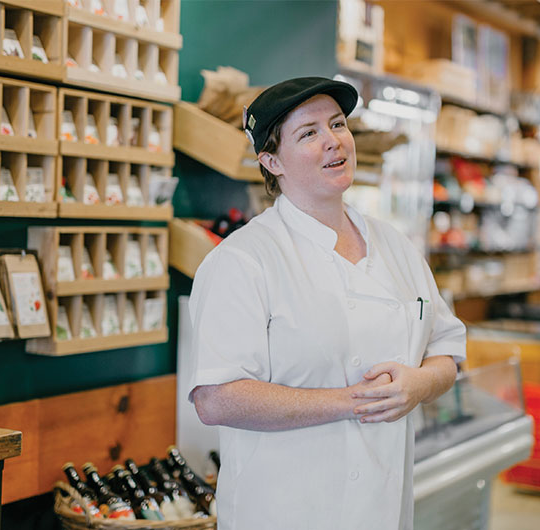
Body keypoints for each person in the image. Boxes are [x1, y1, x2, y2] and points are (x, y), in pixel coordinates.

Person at [187, 77, 467, 530]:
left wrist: (417, 386)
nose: (333, 141)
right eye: (309, 133)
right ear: (271, 160)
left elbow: (448, 353)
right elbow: (217, 399)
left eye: (337, 124)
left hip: (382, 507)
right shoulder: (241, 261)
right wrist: (353, 401)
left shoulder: (396, 247)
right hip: (283, 511)